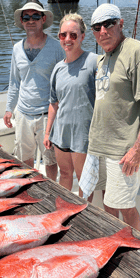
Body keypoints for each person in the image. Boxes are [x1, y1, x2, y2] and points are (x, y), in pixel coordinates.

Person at [79, 3, 140, 230]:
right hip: (98, 147)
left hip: (121, 150)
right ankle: (114, 239)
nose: (103, 31)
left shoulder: (137, 52)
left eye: (109, 24)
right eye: (97, 27)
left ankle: (134, 249)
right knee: (108, 202)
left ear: (121, 24)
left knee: (125, 206)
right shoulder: (103, 58)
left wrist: (137, 150)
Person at [3, 0, 65, 181]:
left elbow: (64, 81)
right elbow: (14, 81)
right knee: (24, 159)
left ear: (43, 19)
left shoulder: (56, 47)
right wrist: (9, 108)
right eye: (27, 17)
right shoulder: (16, 49)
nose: (31, 20)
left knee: (50, 160)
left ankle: (53, 188)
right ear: (22, 21)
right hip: (22, 113)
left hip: (48, 115)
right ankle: (28, 187)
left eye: (36, 16)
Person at [43, 13, 97, 197]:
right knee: (64, 175)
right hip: (61, 134)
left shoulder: (93, 62)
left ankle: (83, 215)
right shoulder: (58, 68)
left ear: (82, 36)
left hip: (83, 136)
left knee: (84, 181)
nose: (68, 39)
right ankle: (64, 209)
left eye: (73, 35)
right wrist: (48, 132)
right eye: (63, 35)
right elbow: (53, 103)